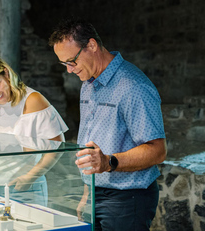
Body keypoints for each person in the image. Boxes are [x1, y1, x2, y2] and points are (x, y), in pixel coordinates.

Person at [49, 19, 166, 231]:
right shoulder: (88, 83)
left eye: (71, 61)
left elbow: (157, 151)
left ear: (92, 46)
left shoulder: (134, 86)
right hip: (95, 192)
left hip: (127, 199)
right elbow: (90, 146)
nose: (68, 70)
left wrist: (109, 162)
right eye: (64, 64)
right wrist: (87, 191)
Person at [0, 53, 68, 204]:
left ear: (6, 74)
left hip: (23, 189)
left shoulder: (33, 100)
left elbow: (58, 146)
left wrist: (30, 177)